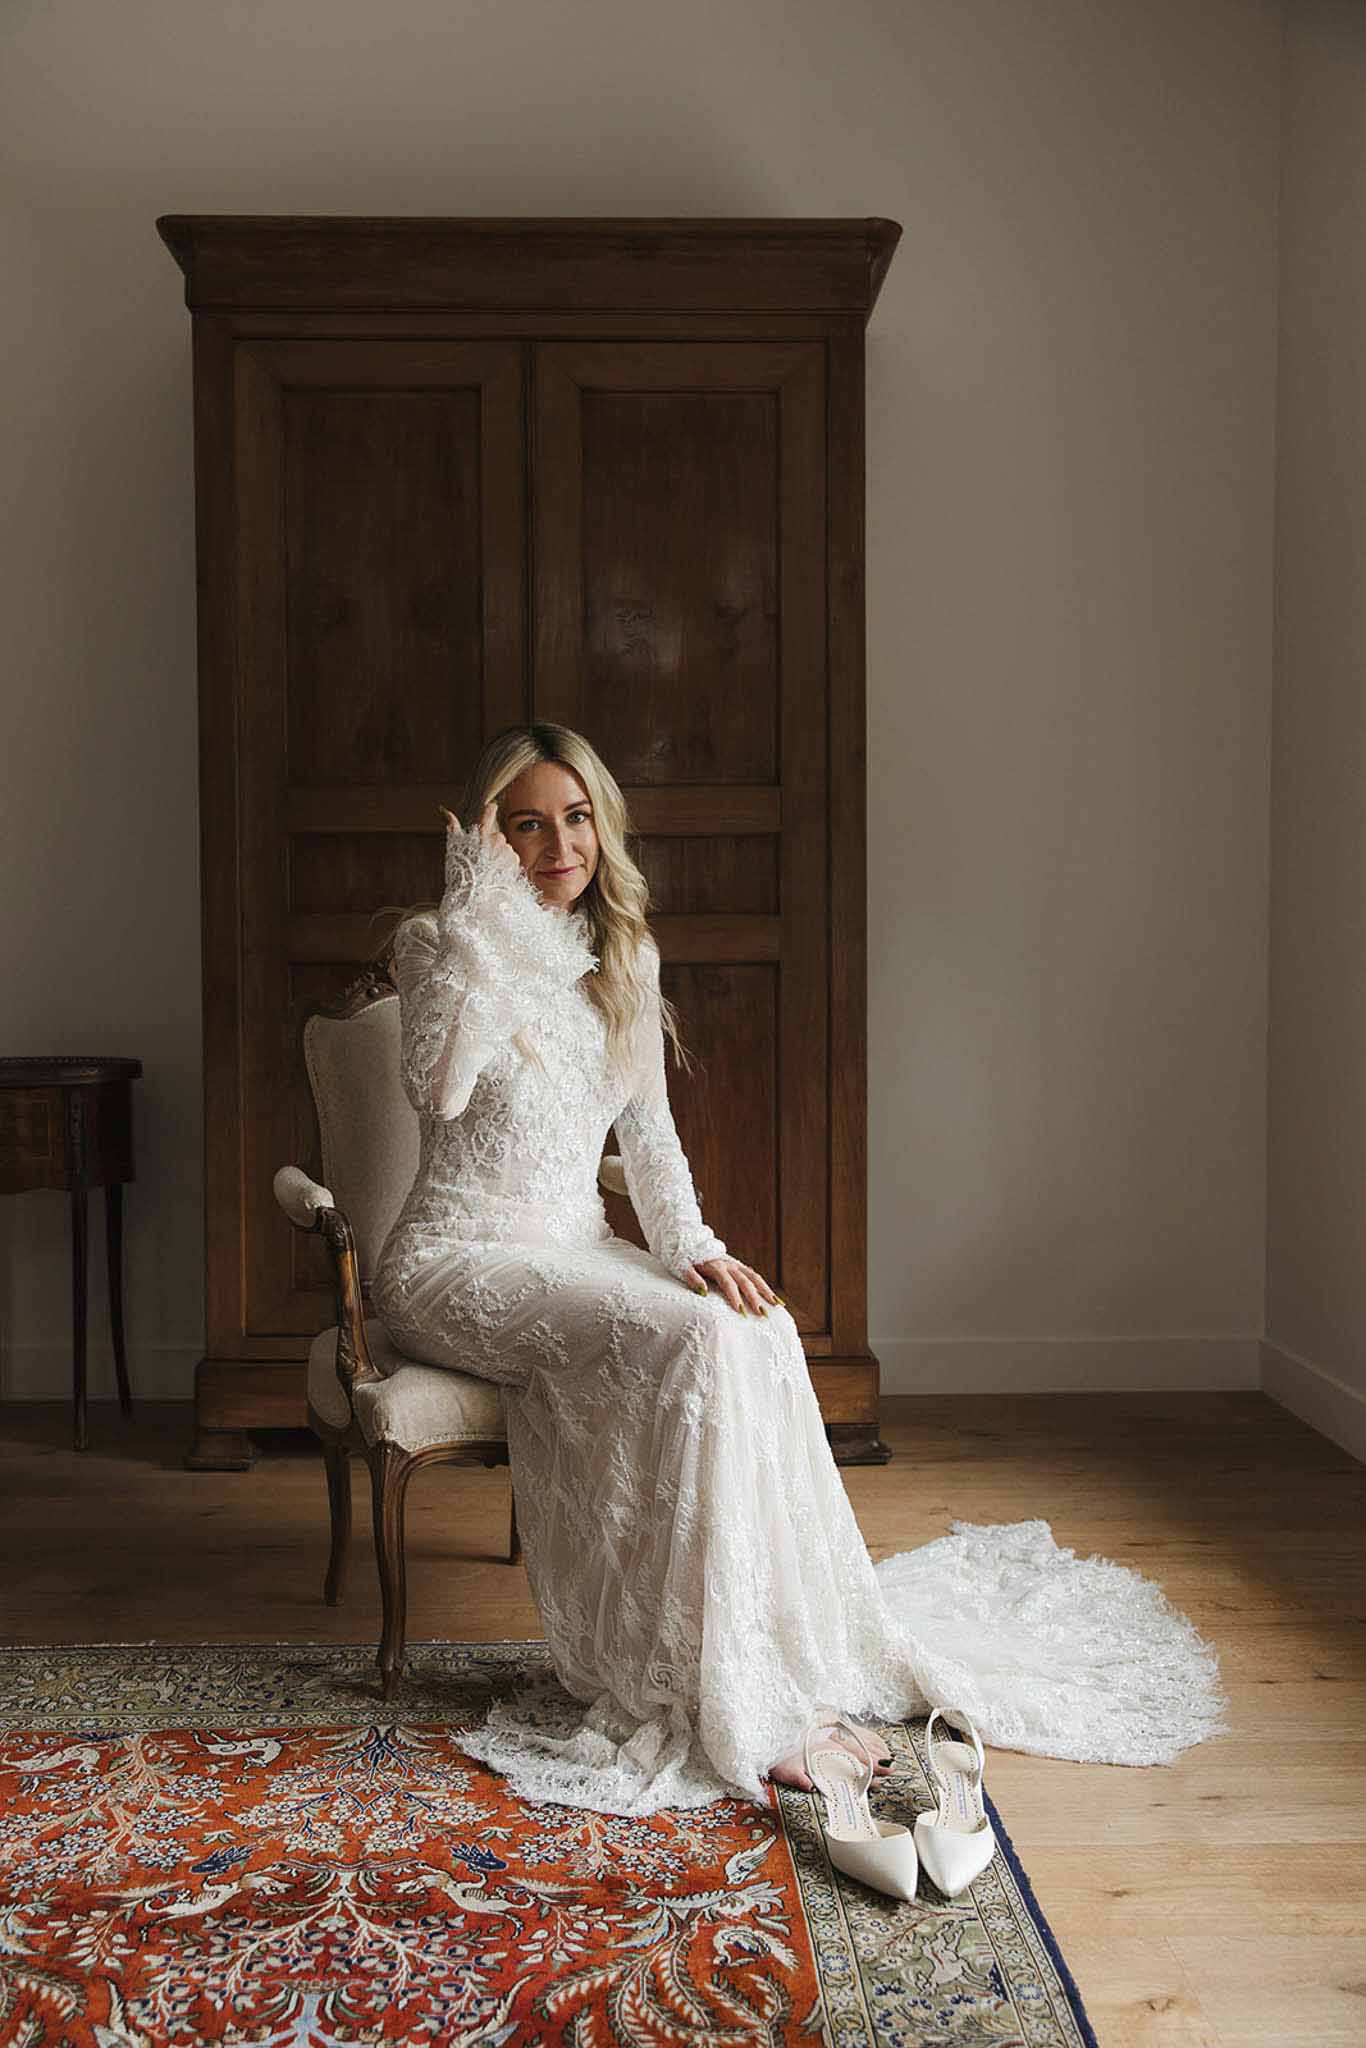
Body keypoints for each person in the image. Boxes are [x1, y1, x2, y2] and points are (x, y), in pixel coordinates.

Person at [371, 722, 1223, 1817]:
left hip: (574, 1242)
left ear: (603, 824)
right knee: (682, 1341)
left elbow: (654, 1140)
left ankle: (773, 1648)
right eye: (526, 823)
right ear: (492, 837)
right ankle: (719, 1692)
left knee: (751, 1328)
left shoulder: (625, 955)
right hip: (455, 1259)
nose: (556, 844)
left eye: (575, 816)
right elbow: (436, 1093)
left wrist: (695, 1248)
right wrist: (481, 921)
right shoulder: (437, 942)